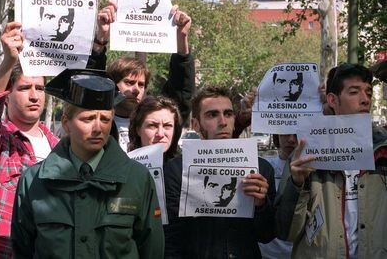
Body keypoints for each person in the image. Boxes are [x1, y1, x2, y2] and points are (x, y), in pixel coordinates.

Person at [11, 69, 164, 258]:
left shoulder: (137, 179)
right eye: (88, 119)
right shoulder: (34, 181)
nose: (98, 128)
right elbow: (23, 248)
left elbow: (151, 249)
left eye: (105, 119)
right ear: (66, 123)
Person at [275, 63, 387, 258]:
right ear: (333, 100)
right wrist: (297, 185)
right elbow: (286, 232)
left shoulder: (383, 151)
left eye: (368, 93)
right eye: (354, 92)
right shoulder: (305, 155)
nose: (365, 100)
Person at [0, 22, 59, 258]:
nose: (34, 96)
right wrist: (8, 63)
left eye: (40, 88)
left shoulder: (61, 148)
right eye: (24, 88)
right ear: (7, 95)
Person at [164, 85, 276, 259]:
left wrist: (261, 205)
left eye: (228, 114)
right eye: (212, 114)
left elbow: (267, 235)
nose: (223, 122)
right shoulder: (176, 170)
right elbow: (171, 238)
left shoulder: (260, 169)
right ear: (195, 124)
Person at [90, 0, 194, 152]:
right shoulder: (98, 122)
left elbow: (181, 90)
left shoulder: (156, 121)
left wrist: (181, 37)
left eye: (141, 85)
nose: (136, 90)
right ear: (111, 83)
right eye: (129, 82)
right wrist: (101, 38)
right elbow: (92, 85)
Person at [258, 134, 296, 259]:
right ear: (276, 136)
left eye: (296, 134)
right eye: (285, 134)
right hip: (267, 252)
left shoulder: (317, 171)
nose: (291, 140)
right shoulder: (263, 168)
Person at [128, 95, 182, 161]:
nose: (160, 134)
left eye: (167, 126)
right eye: (152, 126)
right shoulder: (125, 167)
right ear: (138, 130)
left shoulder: (185, 167)